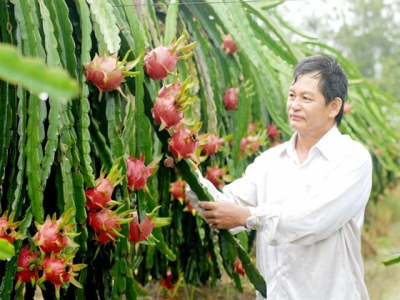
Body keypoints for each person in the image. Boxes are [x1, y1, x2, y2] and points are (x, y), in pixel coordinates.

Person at [185, 55, 372, 299]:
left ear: (334, 106)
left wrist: (247, 217)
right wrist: (188, 170)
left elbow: (314, 221)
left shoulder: (352, 160)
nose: (294, 105)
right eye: (292, 95)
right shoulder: (270, 162)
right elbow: (222, 205)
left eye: (306, 98)